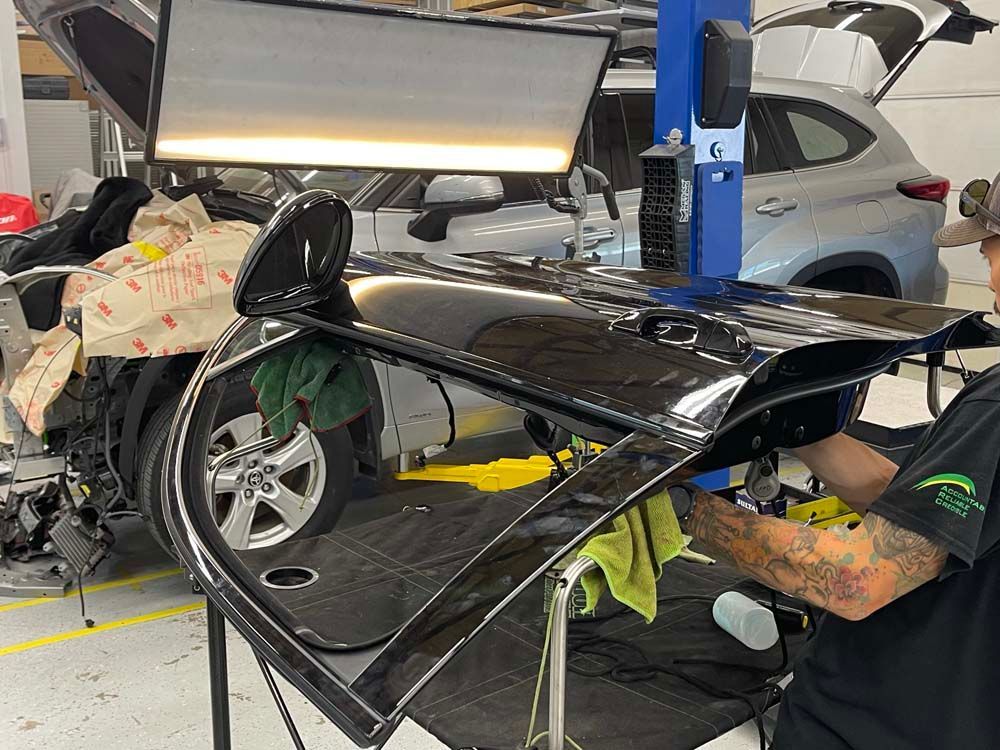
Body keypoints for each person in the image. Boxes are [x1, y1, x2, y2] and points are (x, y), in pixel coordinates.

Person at [671, 172, 1000, 749]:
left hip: (879, 724)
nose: (989, 276)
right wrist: (801, 428)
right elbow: (917, 508)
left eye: (991, 250)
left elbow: (855, 580)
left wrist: (685, 511)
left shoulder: (995, 405)